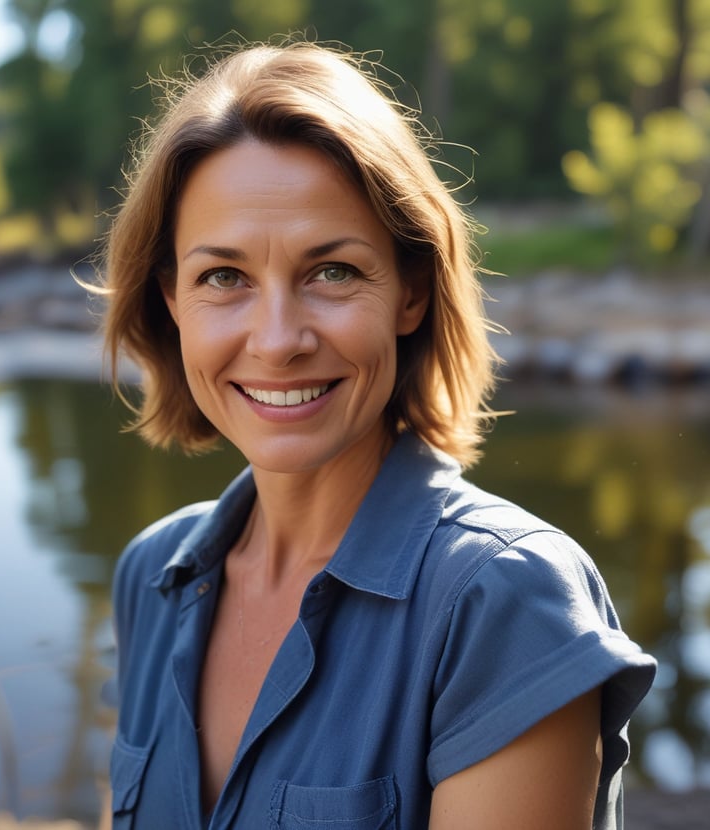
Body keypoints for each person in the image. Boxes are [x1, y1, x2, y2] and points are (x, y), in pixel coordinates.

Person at [100, 38, 656, 829]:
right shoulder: (151, 575)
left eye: (332, 271)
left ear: (411, 293)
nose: (277, 338)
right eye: (224, 277)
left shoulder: (505, 602)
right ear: (171, 302)